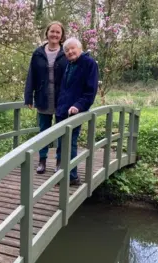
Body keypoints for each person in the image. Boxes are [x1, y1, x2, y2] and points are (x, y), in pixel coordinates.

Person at [24, 21, 68, 174]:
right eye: (52, 31)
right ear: (47, 33)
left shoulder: (66, 53)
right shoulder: (38, 53)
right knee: (44, 131)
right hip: (43, 96)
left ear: (61, 36)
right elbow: (31, 76)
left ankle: (59, 161)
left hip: (61, 98)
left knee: (61, 130)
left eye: (58, 32)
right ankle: (42, 161)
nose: (55, 34)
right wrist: (28, 97)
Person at [55, 37, 99, 185]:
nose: (70, 52)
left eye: (73, 48)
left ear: (80, 48)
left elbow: (90, 91)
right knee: (61, 143)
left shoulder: (89, 64)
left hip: (74, 111)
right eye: (67, 50)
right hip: (62, 110)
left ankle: (71, 175)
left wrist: (79, 106)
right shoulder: (69, 64)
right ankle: (63, 173)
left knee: (70, 142)